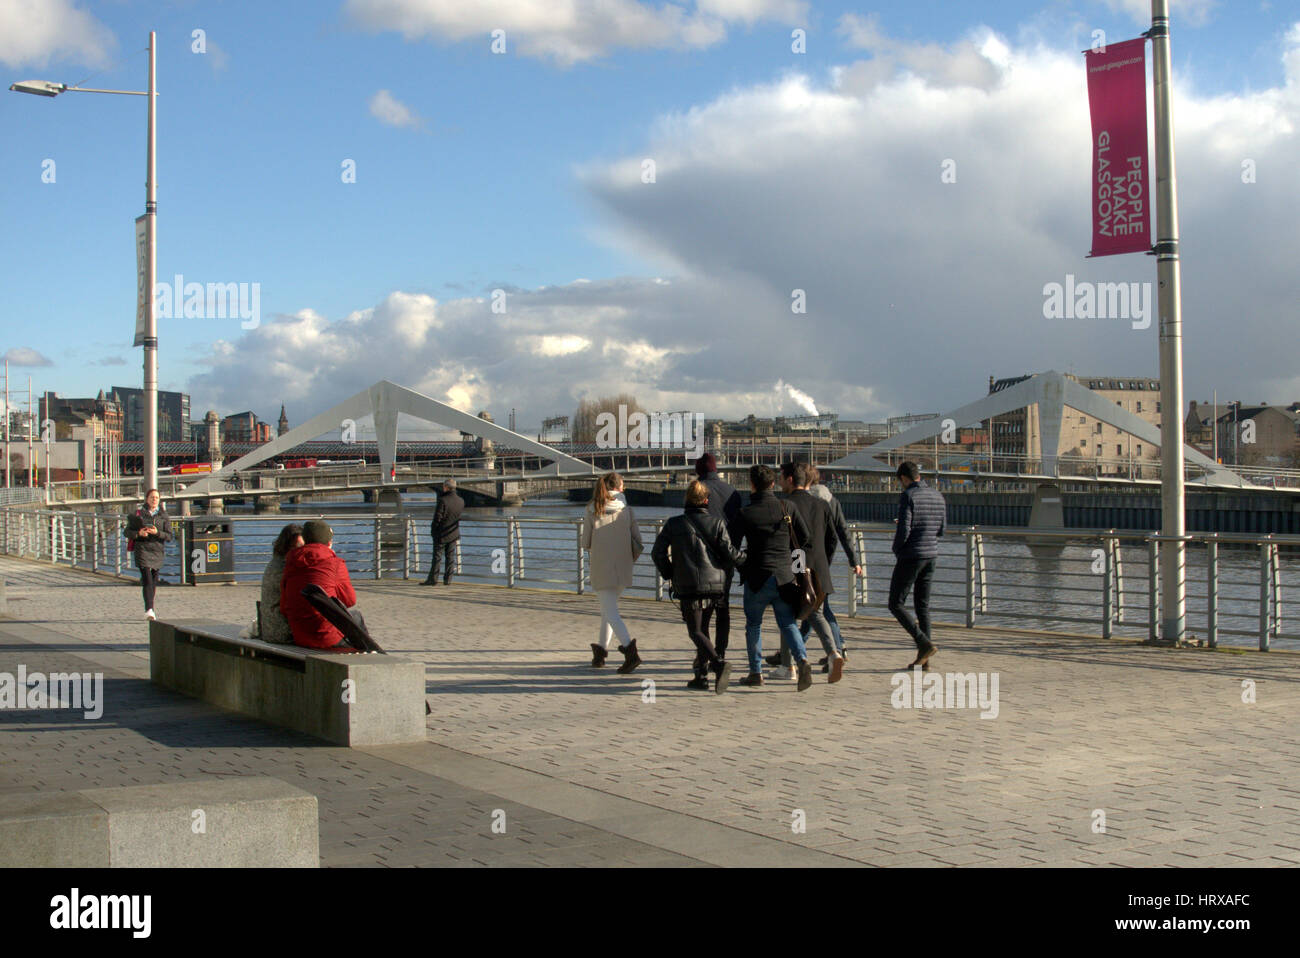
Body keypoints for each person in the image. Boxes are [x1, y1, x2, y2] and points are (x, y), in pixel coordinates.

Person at [652, 480, 745, 693]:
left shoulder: (674, 524)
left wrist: (670, 572)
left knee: (696, 630)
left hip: (688, 586)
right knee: (703, 630)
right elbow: (729, 553)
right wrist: (747, 559)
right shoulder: (717, 524)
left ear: (687, 499)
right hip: (715, 586)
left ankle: (717, 665)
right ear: (706, 500)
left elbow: (657, 553)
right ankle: (701, 675)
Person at [732, 464, 814, 690]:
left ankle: (756, 673)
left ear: (751, 484)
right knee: (788, 623)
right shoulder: (787, 508)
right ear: (772, 484)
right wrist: (796, 569)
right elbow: (804, 540)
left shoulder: (745, 513)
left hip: (756, 578)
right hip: (784, 577)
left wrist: (744, 566)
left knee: (754, 625)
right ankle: (803, 661)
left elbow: (732, 547)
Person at [775, 461, 844, 683]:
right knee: (817, 611)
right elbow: (832, 538)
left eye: (781, 477)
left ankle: (789, 666)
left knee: (788, 615)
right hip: (819, 567)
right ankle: (833, 654)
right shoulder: (821, 504)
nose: (779, 481)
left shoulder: (783, 504)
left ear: (790, 479)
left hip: (795, 565)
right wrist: (823, 562)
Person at [582, 472, 644, 673]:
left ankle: (630, 653)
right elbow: (638, 541)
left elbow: (586, 542)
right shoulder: (627, 510)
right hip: (623, 567)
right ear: (619, 488)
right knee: (607, 610)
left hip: (601, 567)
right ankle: (600, 652)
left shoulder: (593, 509)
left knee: (610, 612)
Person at [804, 464, 863, 671]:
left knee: (813, 607)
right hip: (824, 561)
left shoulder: (804, 501)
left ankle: (827, 649)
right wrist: (853, 560)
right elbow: (843, 532)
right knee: (818, 606)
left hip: (805, 561)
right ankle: (837, 648)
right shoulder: (832, 500)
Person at [889, 461, 947, 670]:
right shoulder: (938, 496)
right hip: (931, 555)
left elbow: (904, 530)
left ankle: (923, 642)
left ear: (904, 478)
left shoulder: (908, 496)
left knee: (895, 603)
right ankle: (925, 661)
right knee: (922, 606)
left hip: (911, 555)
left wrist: (896, 549)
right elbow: (941, 529)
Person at [281, 519, 364, 650]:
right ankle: (369, 657)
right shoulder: (334, 563)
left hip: (300, 636)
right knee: (356, 617)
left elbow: (284, 606)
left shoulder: (290, 562)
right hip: (327, 637)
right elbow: (349, 600)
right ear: (329, 542)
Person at [693, 453, 742, 662]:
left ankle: (704, 654)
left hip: (701, 560)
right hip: (726, 558)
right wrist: (734, 553)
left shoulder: (697, 489)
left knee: (702, 610)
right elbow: (738, 527)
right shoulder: (732, 491)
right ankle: (720, 652)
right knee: (723, 607)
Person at [124, 489, 172, 620]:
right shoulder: (138, 514)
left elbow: (169, 536)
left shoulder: (164, 516)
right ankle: (149, 609)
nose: (154, 500)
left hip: (157, 549)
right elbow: (127, 532)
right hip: (142, 548)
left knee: (154, 580)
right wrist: (139, 533)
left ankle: (150, 606)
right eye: (152, 497)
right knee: (147, 579)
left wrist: (157, 532)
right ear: (147, 499)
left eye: (156, 497)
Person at [258, 523, 304, 644]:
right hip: (283, 632)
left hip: (270, 629)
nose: (302, 551)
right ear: (287, 547)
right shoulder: (285, 569)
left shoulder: (275, 563)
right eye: (298, 547)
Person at [424, 479, 464, 585]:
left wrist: (433, 530)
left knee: (437, 557)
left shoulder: (443, 500)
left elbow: (437, 518)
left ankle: (433, 579)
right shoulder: (461, 501)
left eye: (443, 486)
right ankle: (448, 580)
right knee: (450, 557)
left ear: (446, 487)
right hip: (453, 532)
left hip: (441, 534)